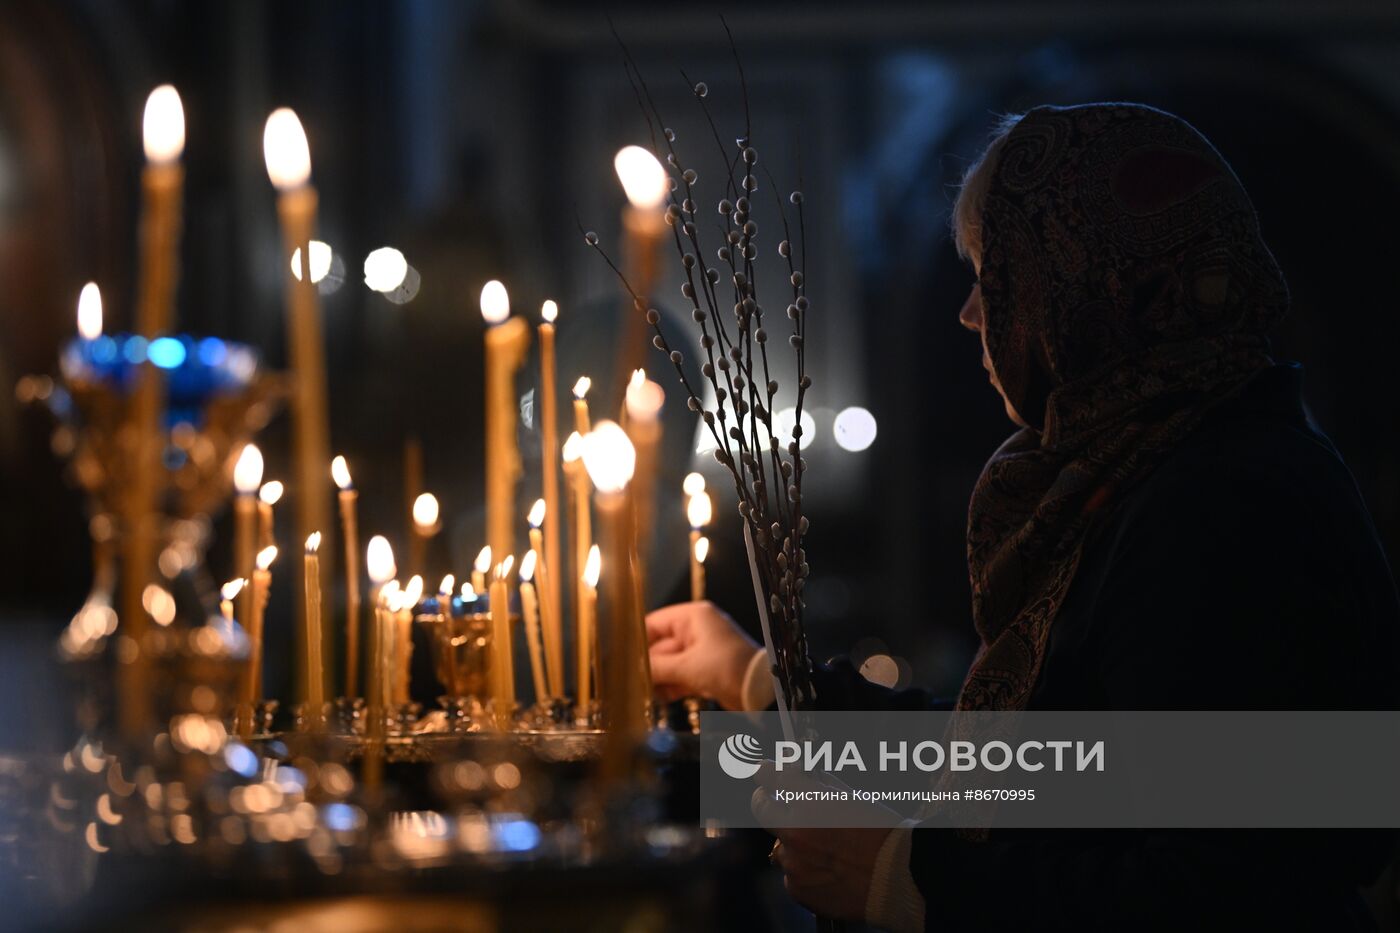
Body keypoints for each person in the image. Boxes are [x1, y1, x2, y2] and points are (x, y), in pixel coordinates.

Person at [646, 103, 1400, 931]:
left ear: (1074, 285)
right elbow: (1046, 768)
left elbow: (1234, 887)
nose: (971, 315)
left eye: (991, 279)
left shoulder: (1222, 505)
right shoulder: (1159, 463)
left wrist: (910, 882)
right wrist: (754, 679)